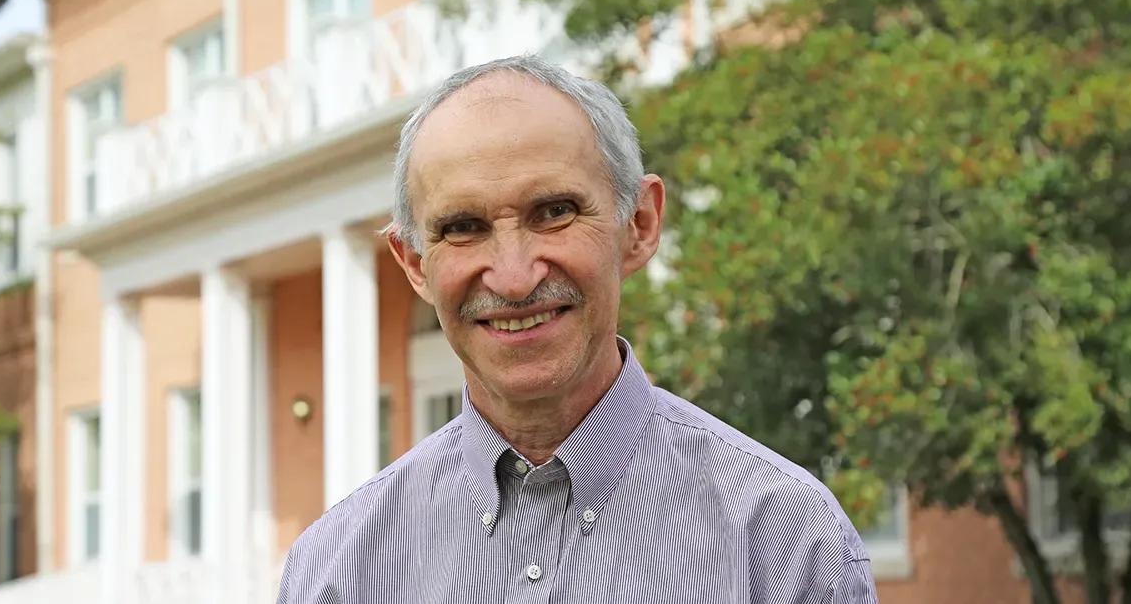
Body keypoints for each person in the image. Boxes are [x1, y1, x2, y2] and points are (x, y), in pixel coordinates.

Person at [276, 55, 879, 603]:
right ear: (414, 265)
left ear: (639, 224)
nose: (513, 278)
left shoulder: (784, 544)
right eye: (463, 227)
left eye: (555, 212)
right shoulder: (336, 573)